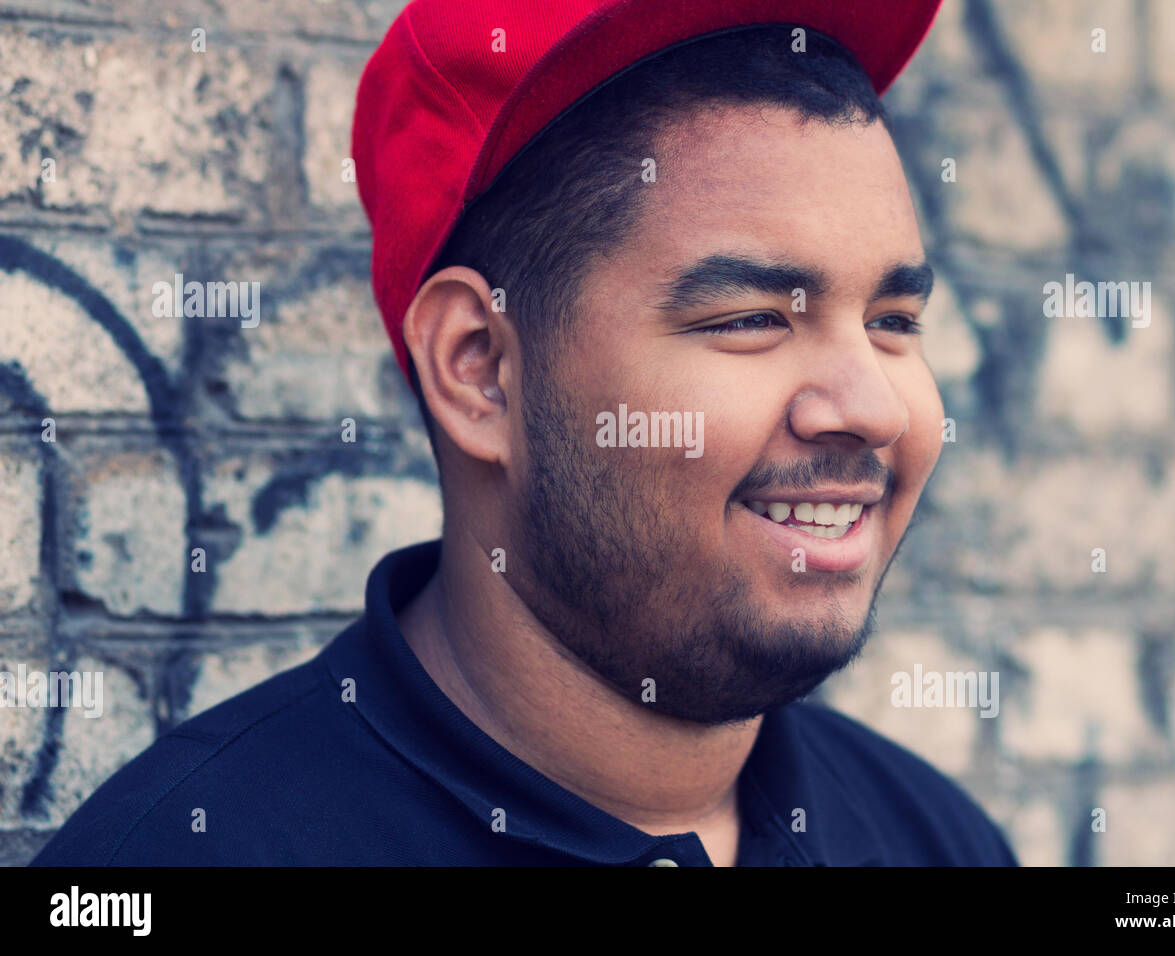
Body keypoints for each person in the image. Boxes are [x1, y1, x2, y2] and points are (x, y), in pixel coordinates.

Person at [32, 0, 1017, 867]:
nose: (876, 406)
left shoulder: (939, 836)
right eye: (750, 318)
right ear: (480, 370)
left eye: (892, 321)